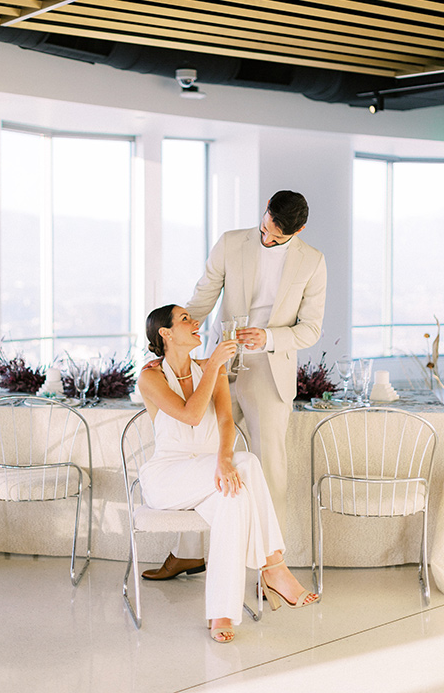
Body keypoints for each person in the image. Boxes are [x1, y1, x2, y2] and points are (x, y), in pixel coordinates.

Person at [142, 190, 326, 581]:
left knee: (268, 468)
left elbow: (310, 328)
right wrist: (166, 340)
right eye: (265, 228)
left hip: (270, 370)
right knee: (203, 456)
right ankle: (188, 552)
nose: (267, 238)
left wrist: (270, 337)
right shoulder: (230, 242)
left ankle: (267, 565)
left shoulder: (313, 262)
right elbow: (204, 296)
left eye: (276, 237)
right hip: (218, 365)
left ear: (299, 230)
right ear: (265, 212)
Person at [138, 304, 318, 643]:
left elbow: (225, 421)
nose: (195, 322)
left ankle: (221, 612)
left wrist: (223, 460)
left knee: (233, 503)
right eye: (185, 319)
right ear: (165, 333)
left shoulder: (212, 367)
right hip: (169, 478)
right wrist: (215, 365)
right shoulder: (151, 376)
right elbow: (191, 415)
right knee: (247, 463)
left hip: (211, 475)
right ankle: (274, 566)